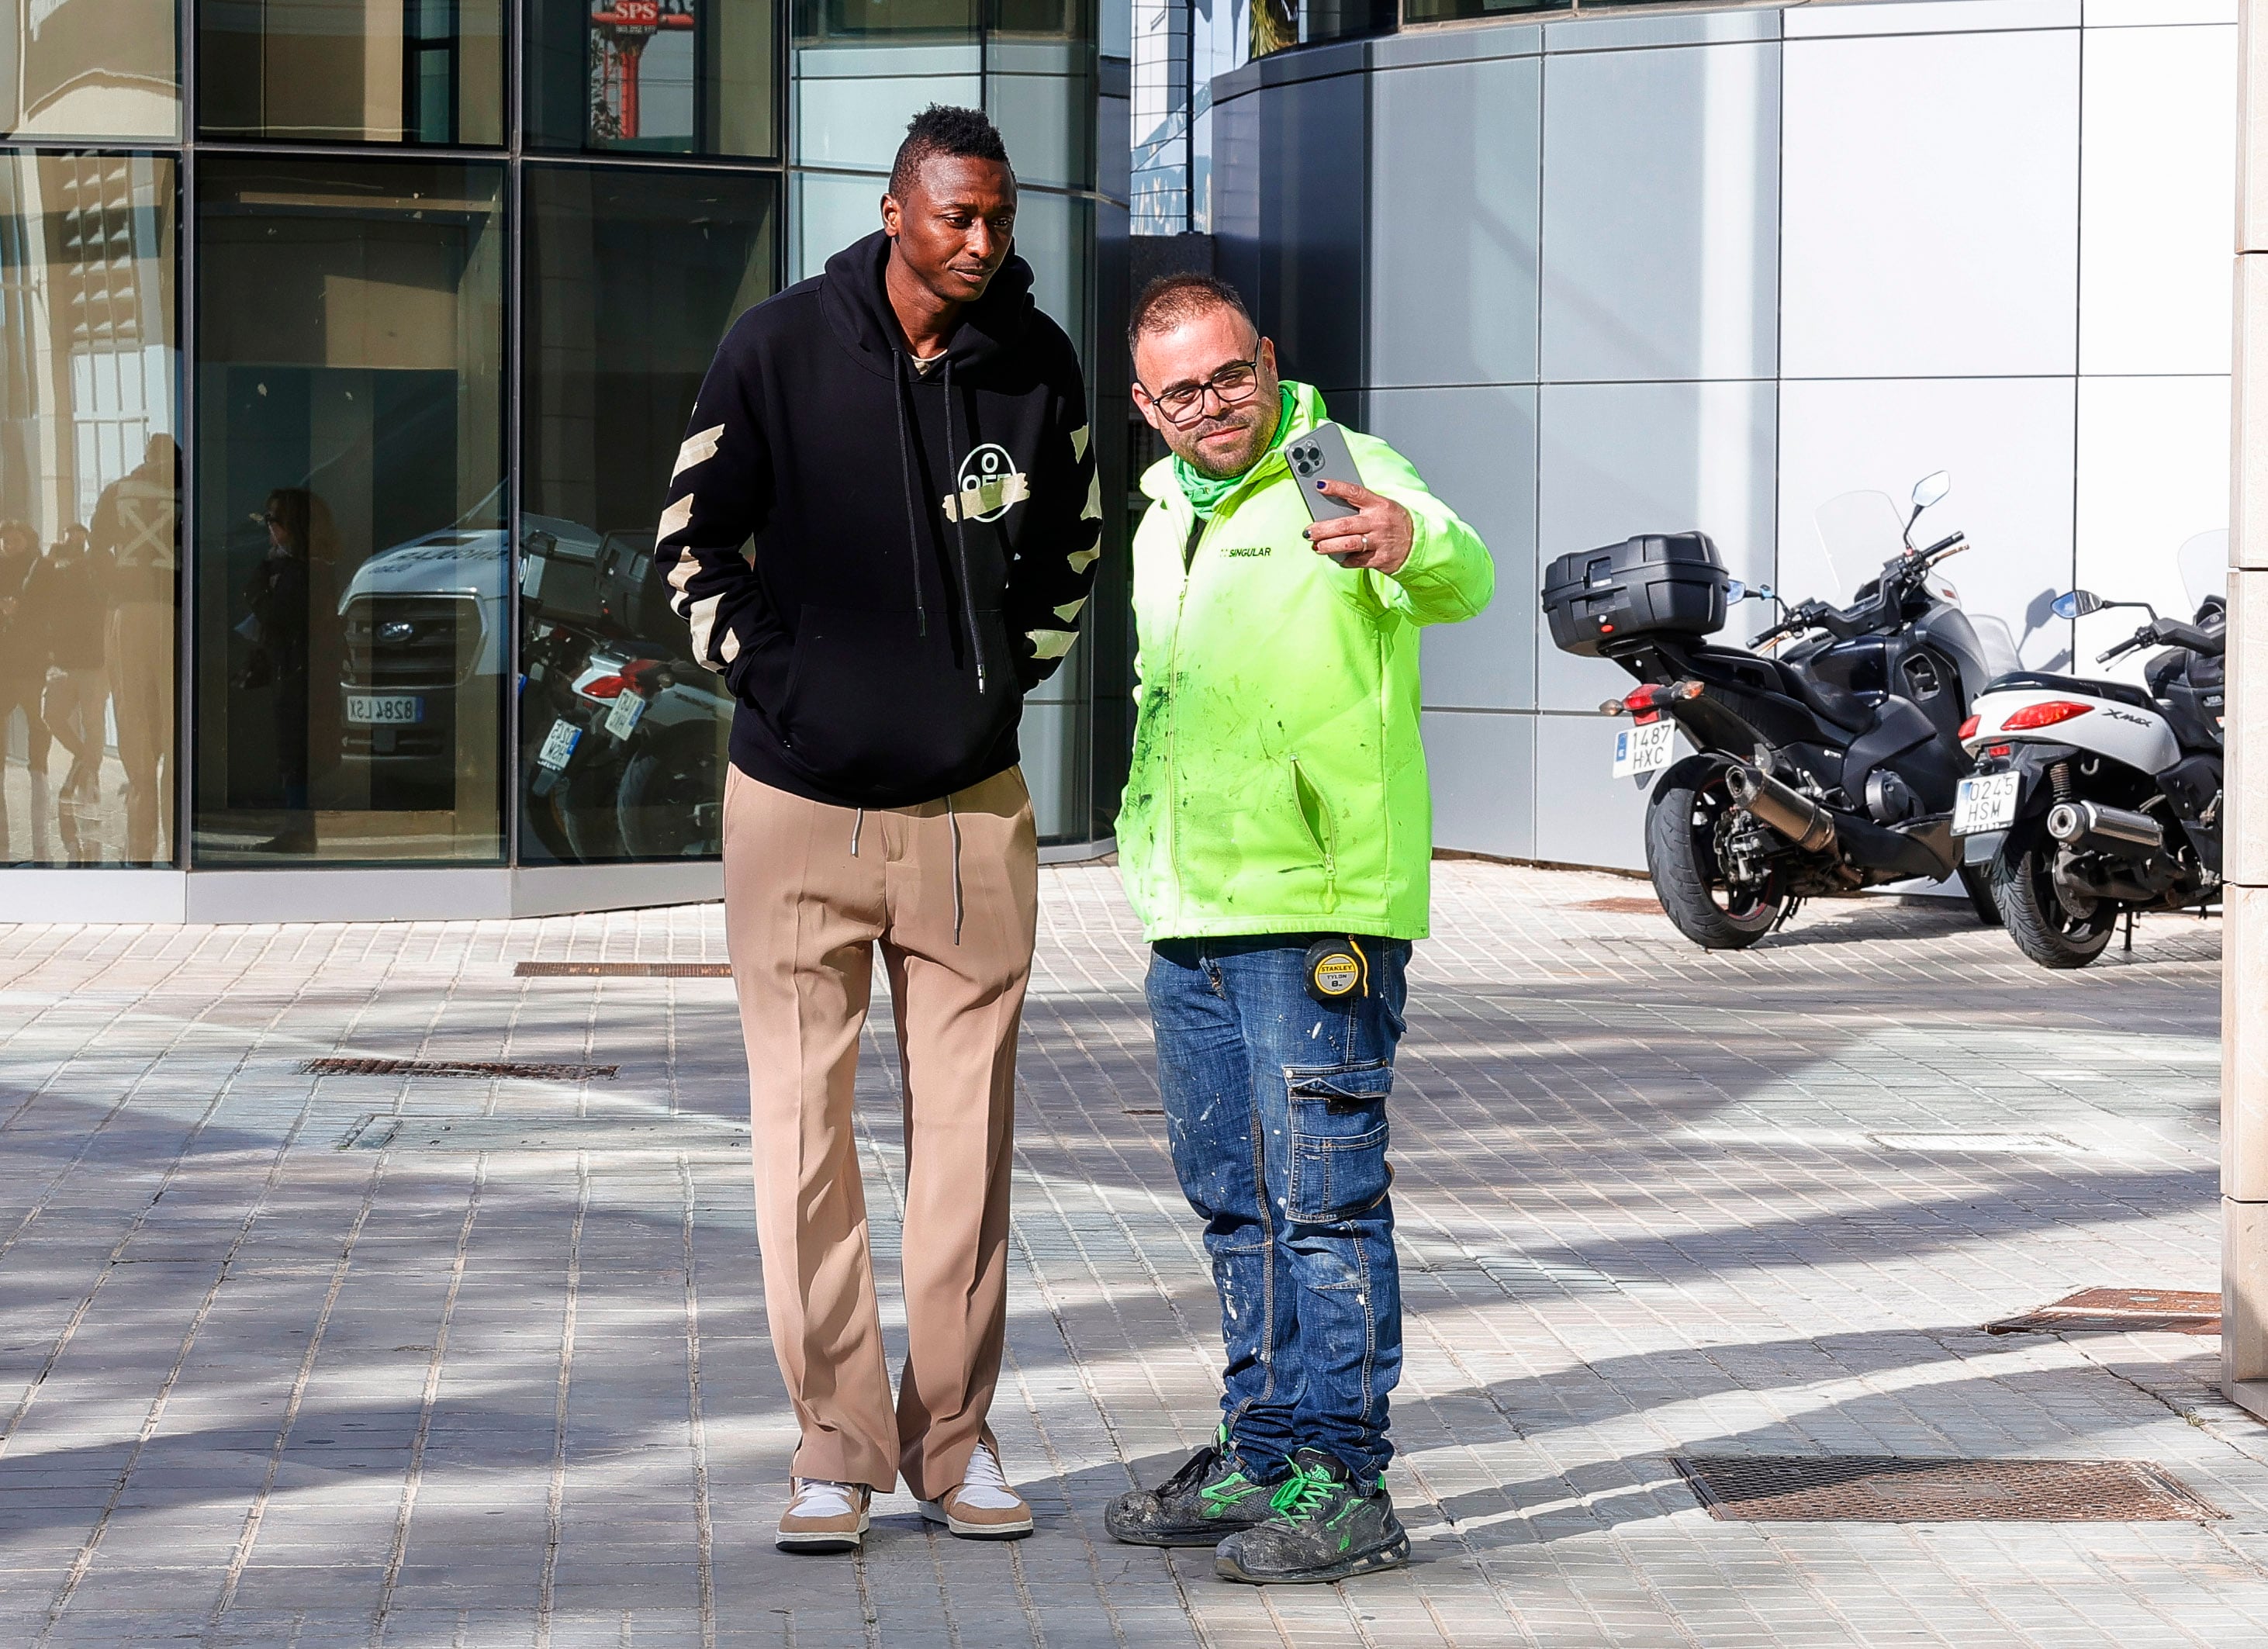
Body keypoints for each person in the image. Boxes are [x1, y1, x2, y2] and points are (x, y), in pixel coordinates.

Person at [653, 105, 1101, 1555]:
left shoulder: (1034, 365)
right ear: (896, 211)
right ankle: (835, 1449)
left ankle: (952, 1444)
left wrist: (988, 692)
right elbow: (690, 542)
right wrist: (788, 689)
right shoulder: (777, 347)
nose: (981, 243)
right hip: (794, 808)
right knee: (803, 1143)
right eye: (955, 216)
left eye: (999, 217)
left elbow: (1072, 550)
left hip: (970, 813)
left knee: (965, 1147)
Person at [1104, 274, 1492, 1584]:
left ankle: (1346, 1481)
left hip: (1312, 911)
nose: (1215, 407)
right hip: (1188, 914)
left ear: (1265, 359)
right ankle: (1261, 1451)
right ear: (1144, 406)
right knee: (1232, 1203)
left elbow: (1455, 566)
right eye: (1182, 391)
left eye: (1230, 374)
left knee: (1321, 1206)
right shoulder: (1164, 515)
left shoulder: (1337, 466)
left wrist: (1402, 542)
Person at [90, 434, 177, 864]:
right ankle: (176, 844)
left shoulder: (118, 490)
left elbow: (97, 550)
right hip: (176, 616)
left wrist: (116, 590)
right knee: (174, 720)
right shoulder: (189, 494)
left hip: (130, 612)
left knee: (133, 711)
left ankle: (140, 842)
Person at [38, 526, 110, 863]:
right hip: (66, 658)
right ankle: (84, 758)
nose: (74, 541)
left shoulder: (96, 565)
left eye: (79, 535)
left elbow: (105, 603)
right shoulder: (55, 565)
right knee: (53, 715)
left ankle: (82, 777)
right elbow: (42, 599)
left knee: (93, 719)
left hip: (95, 659)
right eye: (70, 535)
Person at [0, 520, 54, 861]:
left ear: (28, 540)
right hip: (5, 659)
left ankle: (39, 768)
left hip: (31, 660)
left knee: (37, 718)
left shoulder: (43, 569)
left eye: (14, 540)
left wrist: (22, 610)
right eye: (5, 540)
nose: (8, 545)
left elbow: (52, 610)